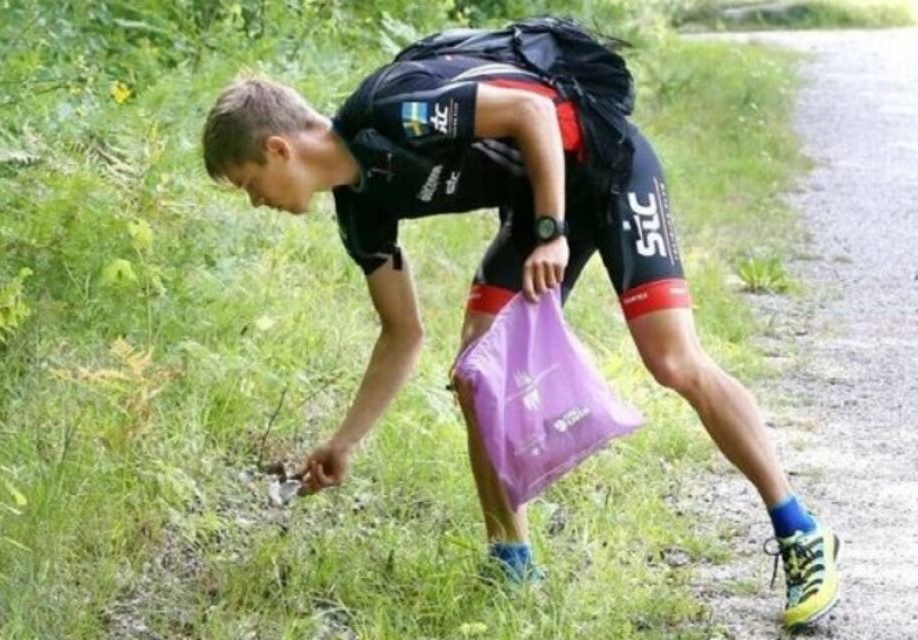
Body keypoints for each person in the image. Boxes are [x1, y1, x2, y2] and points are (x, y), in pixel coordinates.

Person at [200, 27, 840, 630]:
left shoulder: (394, 110)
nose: (257, 201)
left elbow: (532, 113)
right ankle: (512, 563)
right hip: (538, 198)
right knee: (478, 371)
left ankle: (800, 532)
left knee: (672, 361)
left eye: (250, 184)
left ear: (277, 148)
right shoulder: (361, 213)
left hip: (608, 167)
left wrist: (550, 233)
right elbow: (402, 333)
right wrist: (345, 442)